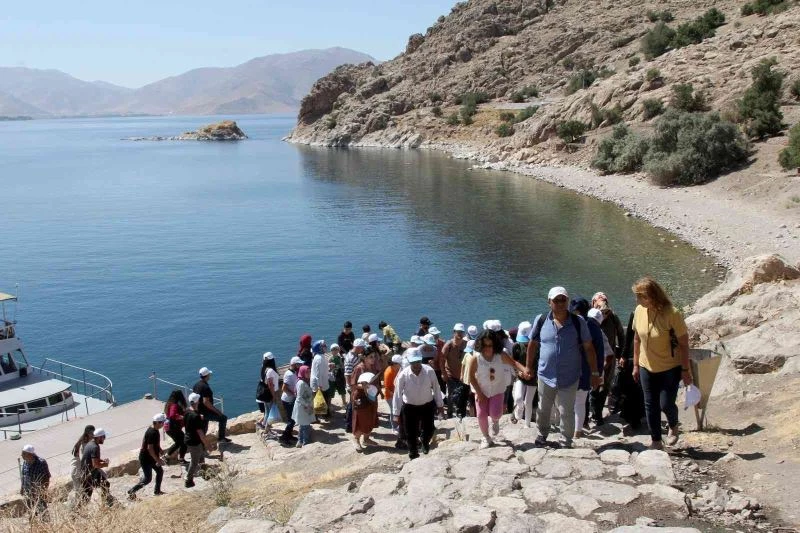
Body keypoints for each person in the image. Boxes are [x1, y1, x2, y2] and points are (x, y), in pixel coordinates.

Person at [526, 286, 602, 449]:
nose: (560, 303)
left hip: (570, 375)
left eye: (563, 300)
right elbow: (532, 344)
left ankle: (566, 440)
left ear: (567, 301)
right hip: (546, 374)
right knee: (543, 409)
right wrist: (528, 367)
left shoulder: (578, 322)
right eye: (556, 300)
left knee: (566, 410)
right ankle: (542, 434)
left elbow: (589, 347)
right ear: (549, 302)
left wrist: (595, 372)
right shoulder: (541, 320)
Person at [632, 277, 692, 449]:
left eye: (641, 296)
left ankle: (673, 424)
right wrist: (636, 364)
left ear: (652, 296)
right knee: (650, 404)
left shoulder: (672, 313)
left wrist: (685, 369)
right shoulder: (639, 310)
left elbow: (683, 343)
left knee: (665, 403)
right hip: (646, 365)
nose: (638, 300)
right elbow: (636, 339)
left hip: (669, 367)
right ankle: (656, 441)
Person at [470, 330, 531, 449]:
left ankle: (495, 421)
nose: (487, 348)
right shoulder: (476, 358)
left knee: (496, 413)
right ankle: (486, 437)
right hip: (481, 390)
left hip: (497, 389)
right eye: (485, 345)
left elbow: (514, 363)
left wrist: (524, 370)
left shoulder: (501, 355)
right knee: (481, 415)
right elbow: (471, 377)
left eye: (490, 345)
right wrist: (478, 393)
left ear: (495, 344)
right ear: (480, 345)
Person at [392, 350, 444, 459]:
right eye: (413, 362)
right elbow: (397, 394)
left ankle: (425, 442)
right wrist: (396, 413)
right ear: (409, 362)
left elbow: (436, 388)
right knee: (410, 432)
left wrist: (440, 405)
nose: (415, 364)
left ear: (420, 360)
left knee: (429, 428)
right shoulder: (403, 375)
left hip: (427, 405)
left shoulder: (429, 371)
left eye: (417, 361)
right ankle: (413, 453)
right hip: (409, 407)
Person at [569, 297, 606, 439]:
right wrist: (598, 373)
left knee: (574, 400)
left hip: (578, 369)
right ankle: (576, 430)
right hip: (585, 369)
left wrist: (597, 373)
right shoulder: (592, 325)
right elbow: (600, 350)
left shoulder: (569, 323)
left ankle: (575, 429)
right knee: (579, 400)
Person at [592, 292, 626, 418]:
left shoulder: (613, 317)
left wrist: (622, 354)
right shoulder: (591, 316)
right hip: (592, 357)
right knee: (592, 384)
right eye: (599, 300)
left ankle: (598, 413)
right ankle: (591, 414)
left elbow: (621, 336)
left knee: (606, 384)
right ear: (593, 302)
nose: (602, 303)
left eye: (604, 300)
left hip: (609, 357)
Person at [127, 413, 166, 499]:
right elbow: (150, 448)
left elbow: (154, 444)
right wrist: (157, 459)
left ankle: (157, 491)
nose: (163, 424)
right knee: (148, 479)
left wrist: (160, 449)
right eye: (162, 422)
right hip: (146, 458)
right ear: (157, 423)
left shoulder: (155, 430)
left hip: (151, 457)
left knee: (160, 472)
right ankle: (132, 491)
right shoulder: (152, 432)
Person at [350, 349, 381, 451]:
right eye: (370, 357)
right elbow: (353, 385)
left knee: (371, 417)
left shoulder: (373, 367)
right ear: (364, 357)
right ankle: (356, 439)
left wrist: (378, 390)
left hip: (371, 396)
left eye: (374, 357)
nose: (373, 359)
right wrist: (364, 386)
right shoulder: (359, 368)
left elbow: (376, 381)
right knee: (361, 419)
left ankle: (366, 439)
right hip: (361, 397)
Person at [193, 367, 230, 443]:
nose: (210, 376)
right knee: (223, 418)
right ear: (207, 376)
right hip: (206, 412)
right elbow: (206, 402)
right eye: (209, 374)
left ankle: (201, 447)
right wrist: (217, 411)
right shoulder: (205, 387)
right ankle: (221, 438)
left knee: (204, 429)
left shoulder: (196, 385)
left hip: (198, 411)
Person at [184, 393, 214, 488]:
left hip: (189, 438)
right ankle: (188, 480)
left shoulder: (187, 412)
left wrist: (198, 416)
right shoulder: (196, 416)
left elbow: (189, 421)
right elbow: (200, 433)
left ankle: (204, 473)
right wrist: (208, 445)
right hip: (194, 441)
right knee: (194, 461)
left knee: (201, 456)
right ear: (198, 402)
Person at [512, 321, 537, 428]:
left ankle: (527, 424)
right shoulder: (516, 346)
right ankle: (519, 408)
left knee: (529, 401)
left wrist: (533, 373)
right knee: (518, 398)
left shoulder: (538, 347)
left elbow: (541, 363)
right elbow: (514, 362)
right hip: (520, 377)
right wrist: (519, 372)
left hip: (533, 378)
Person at [80, 428, 114, 506]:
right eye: (103, 437)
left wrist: (102, 460)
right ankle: (77, 513)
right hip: (88, 475)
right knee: (86, 497)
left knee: (105, 484)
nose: (104, 439)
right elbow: (95, 464)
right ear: (99, 437)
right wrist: (105, 464)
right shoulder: (95, 447)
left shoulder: (90, 443)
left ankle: (105, 503)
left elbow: (93, 459)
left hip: (89, 472)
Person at [442, 323, 467, 418]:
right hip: (451, 374)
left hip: (462, 375)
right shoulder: (449, 345)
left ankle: (459, 412)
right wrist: (444, 373)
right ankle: (449, 412)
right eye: (458, 332)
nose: (460, 334)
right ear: (454, 332)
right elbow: (442, 360)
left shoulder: (465, 344)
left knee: (461, 394)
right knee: (452, 394)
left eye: (462, 332)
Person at [20, 444, 50, 521]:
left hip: (38, 492)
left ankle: (46, 524)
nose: (22, 455)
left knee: (43, 510)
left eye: (24, 453)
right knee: (31, 510)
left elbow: (47, 477)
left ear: (30, 454)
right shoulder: (25, 462)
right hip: (28, 492)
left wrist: (43, 491)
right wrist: (22, 488)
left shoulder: (41, 462)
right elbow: (23, 476)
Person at [279, 356, 303, 444]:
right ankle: (284, 437)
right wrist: (293, 393)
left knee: (293, 419)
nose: (300, 365)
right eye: (299, 364)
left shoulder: (293, 372)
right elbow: (284, 388)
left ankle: (289, 435)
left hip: (290, 399)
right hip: (288, 400)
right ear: (294, 364)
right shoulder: (289, 374)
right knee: (291, 420)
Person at [257, 352, 280, 431]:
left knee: (267, 411)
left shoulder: (263, 367)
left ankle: (264, 425)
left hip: (265, 393)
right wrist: (274, 396)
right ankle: (267, 429)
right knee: (270, 412)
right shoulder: (270, 371)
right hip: (270, 393)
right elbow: (270, 385)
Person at [292, 365, 315, 447]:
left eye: (309, 372)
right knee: (305, 425)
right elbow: (299, 397)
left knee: (302, 425)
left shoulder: (303, 381)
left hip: (304, 407)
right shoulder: (301, 383)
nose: (309, 373)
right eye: (307, 372)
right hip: (303, 408)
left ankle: (300, 441)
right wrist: (307, 405)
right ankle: (306, 442)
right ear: (302, 373)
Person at [163, 390, 188, 464]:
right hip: (173, 428)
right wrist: (183, 417)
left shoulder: (168, 404)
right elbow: (173, 415)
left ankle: (167, 456)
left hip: (169, 427)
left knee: (178, 443)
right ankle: (181, 459)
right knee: (183, 442)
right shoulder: (174, 405)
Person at [310, 340, 332, 417]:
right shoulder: (319, 359)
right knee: (320, 400)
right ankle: (318, 416)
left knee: (323, 399)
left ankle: (325, 414)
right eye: (323, 346)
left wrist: (329, 365)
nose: (326, 346)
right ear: (319, 348)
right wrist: (320, 385)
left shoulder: (321, 356)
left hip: (323, 382)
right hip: (320, 384)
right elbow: (318, 374)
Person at [70, 425, 95, 492]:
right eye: (91, 433)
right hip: (84, 463)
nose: (92, 434)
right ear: (87, 433)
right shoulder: (83, 440)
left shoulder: (92, 440)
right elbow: (77, 450)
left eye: (93, 433)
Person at [384, 354, 402, 432]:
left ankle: (399, 425)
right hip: (390, 396)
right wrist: (396, 397)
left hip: (396, 394)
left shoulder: (398, 369)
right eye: (399, 364)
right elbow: (387, 389)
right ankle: (394, 427)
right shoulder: (389, 372)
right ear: (395, 364)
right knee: (394, 411)